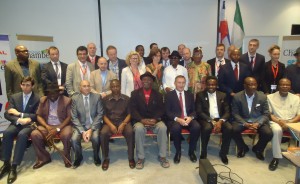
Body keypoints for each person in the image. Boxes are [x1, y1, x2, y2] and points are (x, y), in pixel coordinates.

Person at [0, 77, 40, 184]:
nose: (25, 87)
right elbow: (7, 113)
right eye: (23, 85)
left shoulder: (37, 98)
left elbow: (37, 116)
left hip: (30, 124)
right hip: (17, 123)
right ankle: (6, 163)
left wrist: (20, 114)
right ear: (20, 85)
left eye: (28, 85)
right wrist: (19, 120)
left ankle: (14, 166)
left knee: (22, 135)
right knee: (7, 133)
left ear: (32, 86)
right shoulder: (14, 97)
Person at [131, 72, 169, 169]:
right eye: (144, 79)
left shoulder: (158, 94)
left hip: (154, 120)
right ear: (141, 81)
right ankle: (140, 158)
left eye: (149, 80)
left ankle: (162, 156)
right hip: (140, 120)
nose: (146, 81)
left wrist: (155, 119)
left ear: (152, 81)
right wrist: (141, 120)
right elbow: (133, 110)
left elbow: (161, 109)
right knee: (138, 129)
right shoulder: (135, 94)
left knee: (163, 127)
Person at [31, 82, 72, 169]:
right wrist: (46, 126)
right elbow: (38, 116)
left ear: (59, 92)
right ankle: (43, 158)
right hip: (48, 125)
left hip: (62, 125)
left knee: (67, 134)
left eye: (54, 93)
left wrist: (57, 129)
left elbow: (69, 117)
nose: (52, 95)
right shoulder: (43, 100)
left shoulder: (66, 100)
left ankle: (66, 156)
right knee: (35, 134)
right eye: (49, 93)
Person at [231, 77, 273, 160]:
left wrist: (258, 123)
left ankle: (258, 149)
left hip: (258, 120)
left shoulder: (262, 96)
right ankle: (243, 147)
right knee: (233, 130)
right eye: (250, 85)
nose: (253, 87)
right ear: (244, 86)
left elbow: (266, 113)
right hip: (243, 120)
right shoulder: (237, 96)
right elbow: (235, 113)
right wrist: (244, 123)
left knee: (268, 133)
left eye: (255, 84)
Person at [195, 76, 232, 164]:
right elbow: (199, 111)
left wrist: (220, 121)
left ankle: (223, 153)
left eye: (213, 85)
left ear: (217, 85)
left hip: (220, 119)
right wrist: (211, 121)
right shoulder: (200, 95)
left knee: (229, 128)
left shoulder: (223, 95)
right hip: (206, 118)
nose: (211, 87)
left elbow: (227, 111)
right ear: (206, 85)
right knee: (206, 128)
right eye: (209, 85)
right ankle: (203, 152)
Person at [100, 79, 135, 171]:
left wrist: (123, 124)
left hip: (123, 121)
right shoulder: (105, 99)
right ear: (110, 88)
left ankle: (131, 158)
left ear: (120, 86)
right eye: (113, 86)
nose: (115, 88)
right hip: (109, 122)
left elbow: (130, 114)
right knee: (103, 133)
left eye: (117, 86)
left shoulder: (127, 98)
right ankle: (106, 158)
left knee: (130, 132)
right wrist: (111, 125)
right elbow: (103, 115)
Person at [165, 75, 200, 164]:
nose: (181, 85)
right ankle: (178, 152)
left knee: (196, 127)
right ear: (175, 83)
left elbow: (194, 110)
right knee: (176, 128)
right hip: (175, 119)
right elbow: (167, 112)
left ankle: (191, 152)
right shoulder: (169, 95)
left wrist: (190, 117)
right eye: (179, 82)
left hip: (187, 118)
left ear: (185, 83)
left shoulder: (189, 95)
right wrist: (178, 119)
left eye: (183, 83)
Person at [267, 78, 300, 171]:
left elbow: (299, 114)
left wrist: (290, 123)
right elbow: (269, 114)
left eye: (287, 85)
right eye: (282, 85)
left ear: (290, 87)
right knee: (277, 130)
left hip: (292, 122)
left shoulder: (296, 98)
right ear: (278, 86)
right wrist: (280, 122)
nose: (285, 87)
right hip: (276, 121)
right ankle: (276, 157)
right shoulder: (270, 97)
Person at [71, 80, 103, 168]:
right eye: (84, 86)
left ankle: (96, 156)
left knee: (96, 138)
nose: (87, 88)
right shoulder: (75, 98)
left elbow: (100, 114)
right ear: (80, 88)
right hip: (80, 126)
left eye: (88, 86)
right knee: (74, 140)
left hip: (94, 125)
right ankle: (78, 157)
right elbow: (74, 117)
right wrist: (82, 131)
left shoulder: (97, 97)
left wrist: (91, 129)